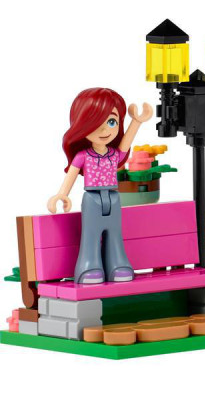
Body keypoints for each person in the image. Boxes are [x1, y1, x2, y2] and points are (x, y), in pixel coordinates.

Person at [47, 88, 154, 284]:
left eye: (111, 122)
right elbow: (71, 175)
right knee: (91, 234)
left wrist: (137, 121)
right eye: (96, 123)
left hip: (113, 197)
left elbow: (126, 142)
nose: (105, 131)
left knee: (115, 233)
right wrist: (62, 194)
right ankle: (89, 266)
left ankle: (118, 264)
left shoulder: (115, 154)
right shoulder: (83, 156)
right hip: (92, 199)